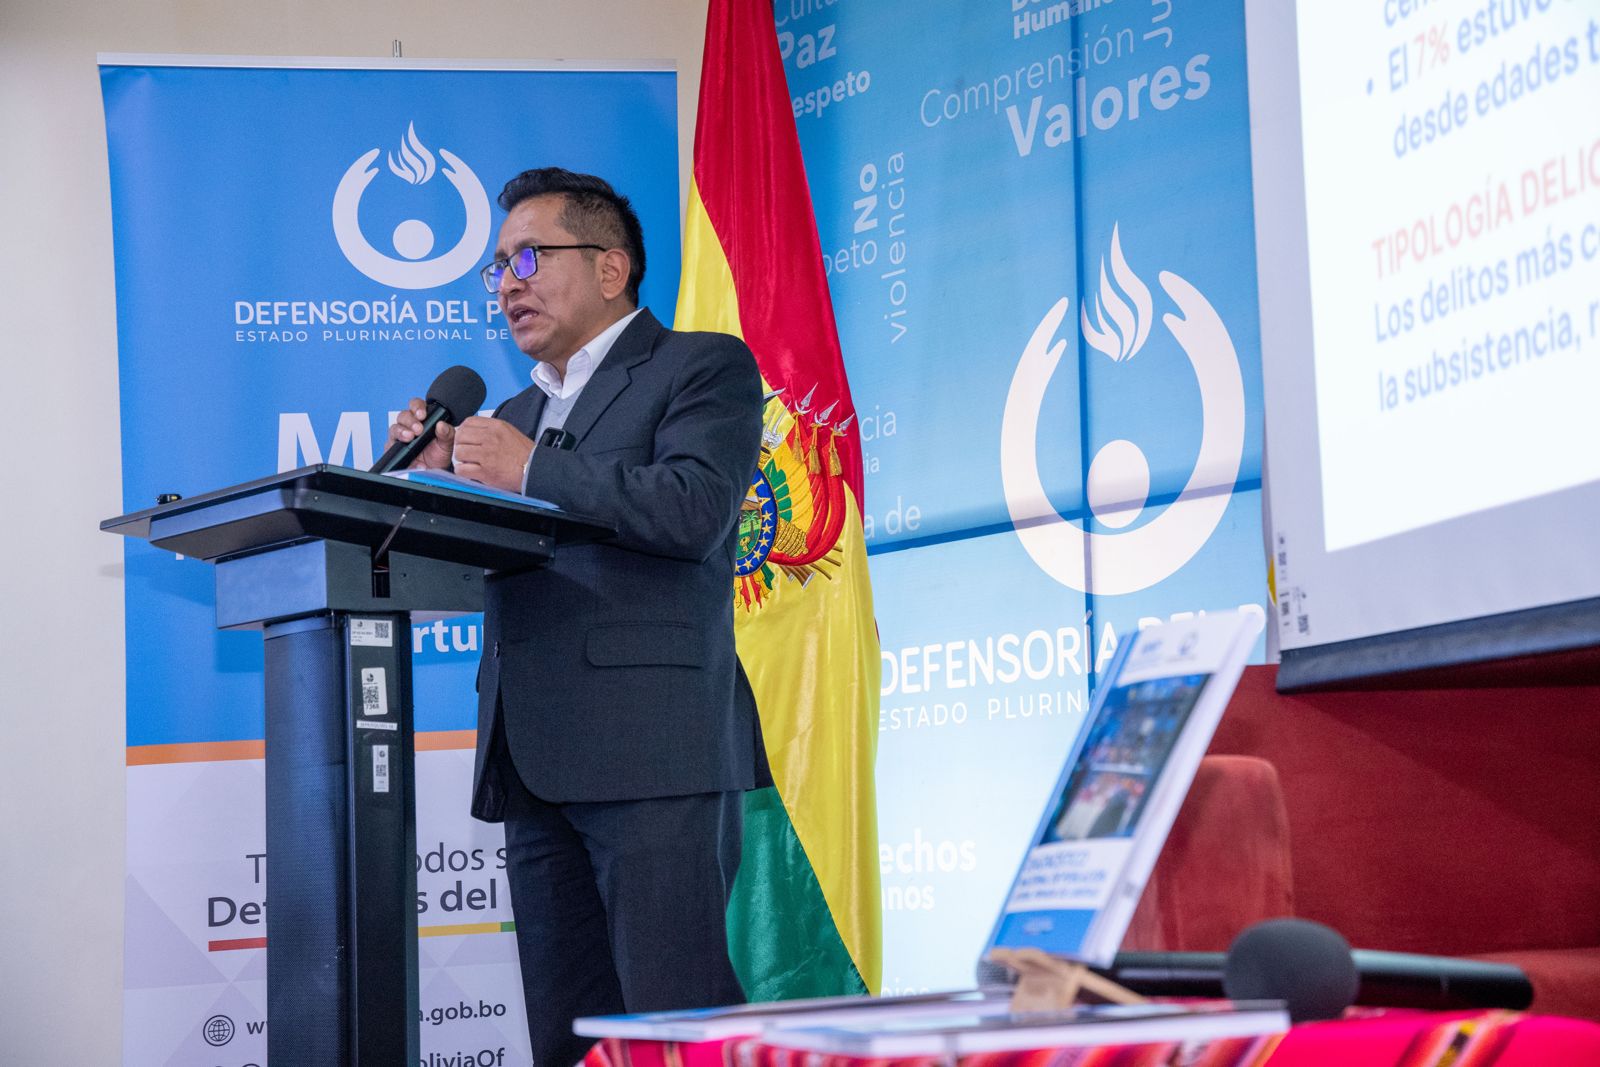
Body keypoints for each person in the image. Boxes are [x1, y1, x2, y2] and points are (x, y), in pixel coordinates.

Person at [386, 167, 763, 1066]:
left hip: (653, 752)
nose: (507, 283)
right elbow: (501, 557)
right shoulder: (514, 413)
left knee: (674, 1029)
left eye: (529, 257)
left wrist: (527, 470)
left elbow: (694, 509)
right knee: (569, 1037)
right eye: (497, 268)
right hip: (533, 757)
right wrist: (441, 485)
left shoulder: (700, 366)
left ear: (610, 267)